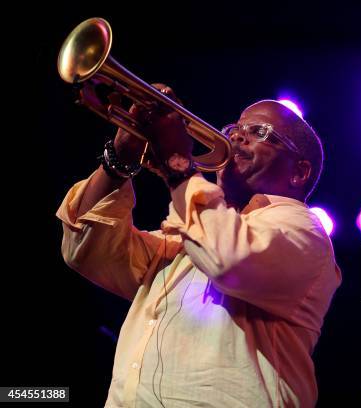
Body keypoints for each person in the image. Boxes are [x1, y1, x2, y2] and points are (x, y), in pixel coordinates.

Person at [56, 84, 341, 407]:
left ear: (299, 173)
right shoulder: (185, 237)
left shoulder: (303, 230)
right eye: (234, 129)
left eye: (259, 132)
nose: (237, 137)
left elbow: (229, 260)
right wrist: (120, 160)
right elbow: (86, 251)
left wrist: (177, 160)